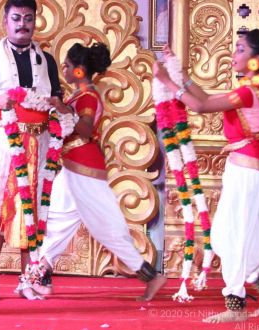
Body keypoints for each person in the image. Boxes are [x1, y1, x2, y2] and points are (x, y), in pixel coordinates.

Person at [153, 29, 259, 323]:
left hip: (249, 173)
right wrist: (179, 72)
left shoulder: (247, 92)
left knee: (232, 237)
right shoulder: (248, 90)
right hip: (250, 170)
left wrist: (167, 81)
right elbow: (205, 97)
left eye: (241, 49)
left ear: (256, 60)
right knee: (237, 238)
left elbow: (201, 106)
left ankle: (236, 306)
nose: (234, 54)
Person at [37, 42, 167, 301]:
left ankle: (150, 275)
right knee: (57, 219)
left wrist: (63, 110)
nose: (64, 69)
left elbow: (85, 129)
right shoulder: (78, 95)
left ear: (79, 70)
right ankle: (42, 273)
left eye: (68, 65)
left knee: (107, 229)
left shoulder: (88, 96)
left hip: (84, 168)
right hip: (72, 166)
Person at [0, 0, 63, 301]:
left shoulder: (46, 61)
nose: (23, 25)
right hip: (2, 142)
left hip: (39, 143)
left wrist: (58, 105)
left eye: (28, 19)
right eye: (16, 19)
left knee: (33, 210)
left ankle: (26, 280)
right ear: (5, 22)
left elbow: (57, 100)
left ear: (35, 22)